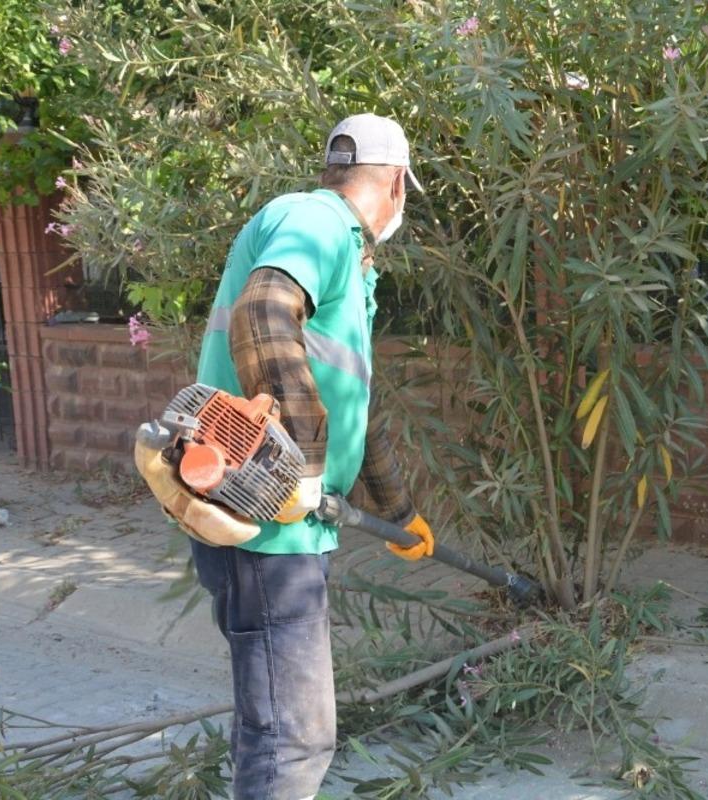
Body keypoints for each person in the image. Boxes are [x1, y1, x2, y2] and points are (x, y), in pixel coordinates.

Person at [189, 113, 435, 800]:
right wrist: (299, 468)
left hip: (277, 528)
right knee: (294, 739)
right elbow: (262, 316)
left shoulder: (345, 261)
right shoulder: (317, 222)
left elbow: (352, 406)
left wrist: (400, 515)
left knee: (269, 726)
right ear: (396, 185)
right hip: (269, 531)